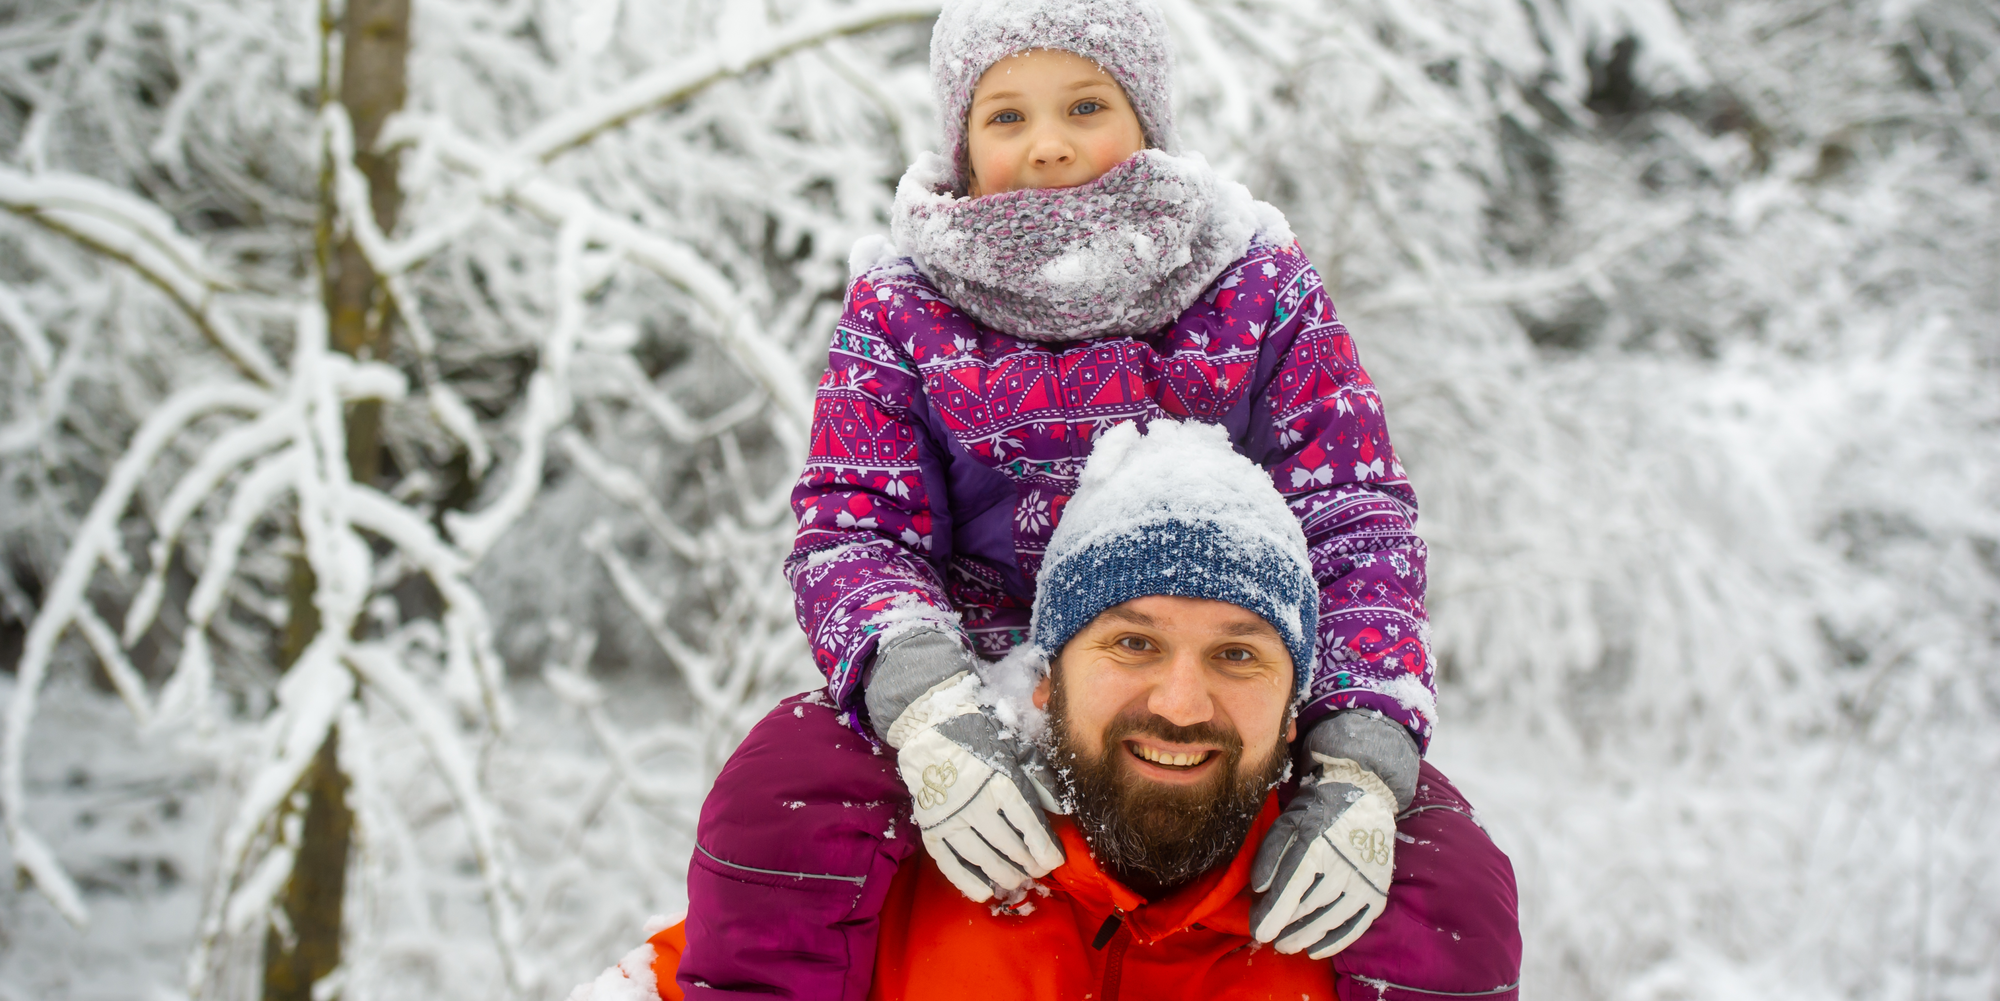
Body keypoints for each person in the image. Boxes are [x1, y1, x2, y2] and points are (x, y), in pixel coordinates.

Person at [582, 0, 1516, 996]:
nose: (1048, 147)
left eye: (1084, 105)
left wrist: (1355, 753)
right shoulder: (905, 303)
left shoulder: (1252, 283)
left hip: (1210, 665)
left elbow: (1352, 514)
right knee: (788, 788)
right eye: (1005, 116)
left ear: (1147, 117)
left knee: (1439, 870)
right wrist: (930, 705)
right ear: (960, 139)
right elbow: (855, 525)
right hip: (974, 673)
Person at [611, 422, 1518, 1000]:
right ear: (1044, 677)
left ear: (1295, 711)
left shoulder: (1353, 949)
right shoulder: (867, 892)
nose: (1180, 701)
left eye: (1238, 654)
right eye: (1133, 643)